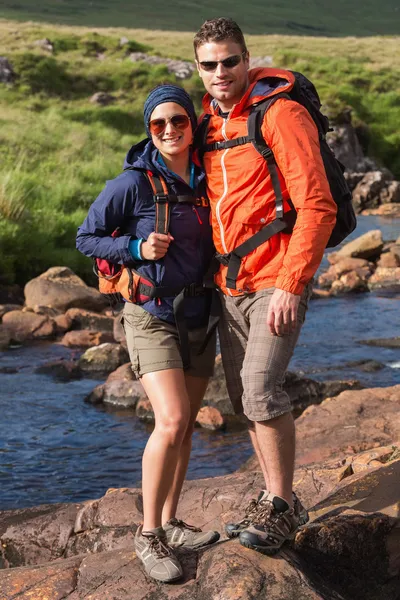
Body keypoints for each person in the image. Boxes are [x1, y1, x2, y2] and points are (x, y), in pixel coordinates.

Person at [193, 18, 337, 555]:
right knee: (241, 397)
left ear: (247, 58)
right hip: (228, 283)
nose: (221, 72)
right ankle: (277, 499)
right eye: (209, 64)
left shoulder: (281, 114)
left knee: (260, 390)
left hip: (277, 279)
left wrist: (292, 284)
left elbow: (317, 206)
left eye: (230, 61)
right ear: (198, 68)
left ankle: (280, 504)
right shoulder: (206, 124)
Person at [76, 84, 220, 583]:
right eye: (158, 125)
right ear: (148, 130)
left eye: (178, 120)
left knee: (184, 427)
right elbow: (85, 237)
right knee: (173, 418)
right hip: (151, 314)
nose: (169, 131)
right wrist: (137, 248)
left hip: (200, 314)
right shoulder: (132, 184)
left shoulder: (209, 175)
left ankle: (171, 522)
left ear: (191, 123)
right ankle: (148, 534)